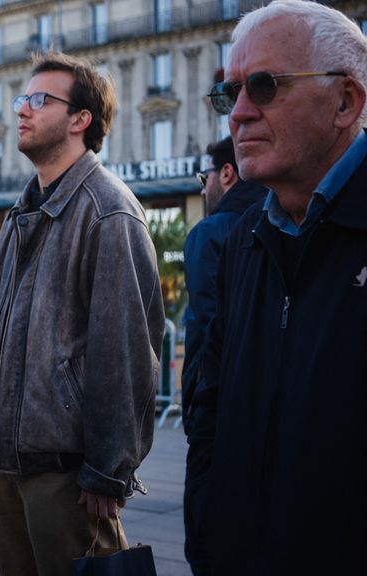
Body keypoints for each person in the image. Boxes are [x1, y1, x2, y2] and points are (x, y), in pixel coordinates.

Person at [0, 52, 164, 576]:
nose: (22, 111)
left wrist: (108, 469)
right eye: (20, 99)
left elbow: (124, 352)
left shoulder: (108, 210)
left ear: (81, 120)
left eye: (39, 100)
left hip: (67, 473)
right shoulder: (23, 209)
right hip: (8, 459)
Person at [199, 2, 367, 573]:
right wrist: (209, 535)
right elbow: (210, 406)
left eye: (266, 86)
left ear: (346, 101)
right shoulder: (242, 240)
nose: (239, 113)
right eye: (229, 93)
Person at [179, 136, 266, 575]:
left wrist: (196, 412)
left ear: (226, 174)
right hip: (270, 427)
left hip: (218, 426)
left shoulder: (211, 233)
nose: (202, 188)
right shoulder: (281, 216)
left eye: (204, 178)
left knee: (208, 548)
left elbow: (206, 334)